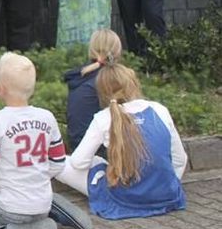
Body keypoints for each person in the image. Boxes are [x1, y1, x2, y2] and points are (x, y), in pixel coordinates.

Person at [0, 53, 92, 229]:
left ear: (0, 88)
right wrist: (37, 178)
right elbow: (58, 163)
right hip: (42, 204)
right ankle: (53, 208)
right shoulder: (47, 117)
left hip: (10, 208)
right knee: (38, 200)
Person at [56, 61, 187, 219]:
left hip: (123, 199)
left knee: (60, 163)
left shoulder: (103, 118)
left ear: (102, 91)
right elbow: (180, 159)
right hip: (167, 196)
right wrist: (167, 186)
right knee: (98, 162)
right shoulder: (159, 110)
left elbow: (78, 163)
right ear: (133, 83)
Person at [63, 29, 122, 151]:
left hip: (80, 152)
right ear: (118, 52)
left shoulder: (81, 80)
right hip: (102, 156)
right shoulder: (112, 82)